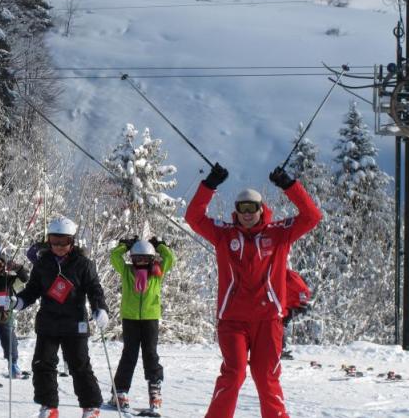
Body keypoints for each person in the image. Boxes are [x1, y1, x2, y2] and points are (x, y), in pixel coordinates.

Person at [184, 164, 322, 418]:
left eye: (252, 208)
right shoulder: (224, 235)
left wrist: (288, 185)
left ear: (261, 209)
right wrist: (209, 185)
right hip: (232, 320)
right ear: (236, 211)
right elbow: (194, 218)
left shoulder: (279, 234)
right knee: (234, 374)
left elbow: (312, 216)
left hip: (268, 321)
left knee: (266, 377)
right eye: (242, 208)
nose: (247, 214)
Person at [14, 217, 108, 418]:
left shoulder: (83, 264)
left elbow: (94, 289)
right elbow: (33, 289)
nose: (58, 246)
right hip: (48, 322)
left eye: (63, 242)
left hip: (74, 323)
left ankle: (91, 407)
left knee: (79, 365)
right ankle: (49, 406)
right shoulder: (43, 264)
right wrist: (20, 301)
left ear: (72, 241)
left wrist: (100, 308)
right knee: (42, 363)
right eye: (53, 241)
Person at [108, 236, 175, 416]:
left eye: (146, 259)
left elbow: (170, 258)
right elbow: (114, 257)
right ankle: (120, 392)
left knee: (150, 354)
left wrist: (160, 245)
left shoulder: (157, 273)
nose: (142, 262)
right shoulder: (126, 271)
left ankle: (155, 393)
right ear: (132, 259)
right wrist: (125, 245)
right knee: (129, 355)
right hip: (130, 318)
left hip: (150, 319)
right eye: (137, 259)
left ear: (152, 259)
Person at [0, 255, 30, 377]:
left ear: (3, 266)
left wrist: (17, 268)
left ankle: (13, 364)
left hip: (6, 317)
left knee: (10, 342)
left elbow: (24, 279)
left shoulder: (9, 280)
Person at [281, 270, 311, 360]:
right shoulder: (275, 274)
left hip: (291, 306)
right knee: (277, 325)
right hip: (283, 306)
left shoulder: (288, 275)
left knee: (278, 325)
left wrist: (303, 303)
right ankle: (279, 349)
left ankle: (279, 349)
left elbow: (303, 290)